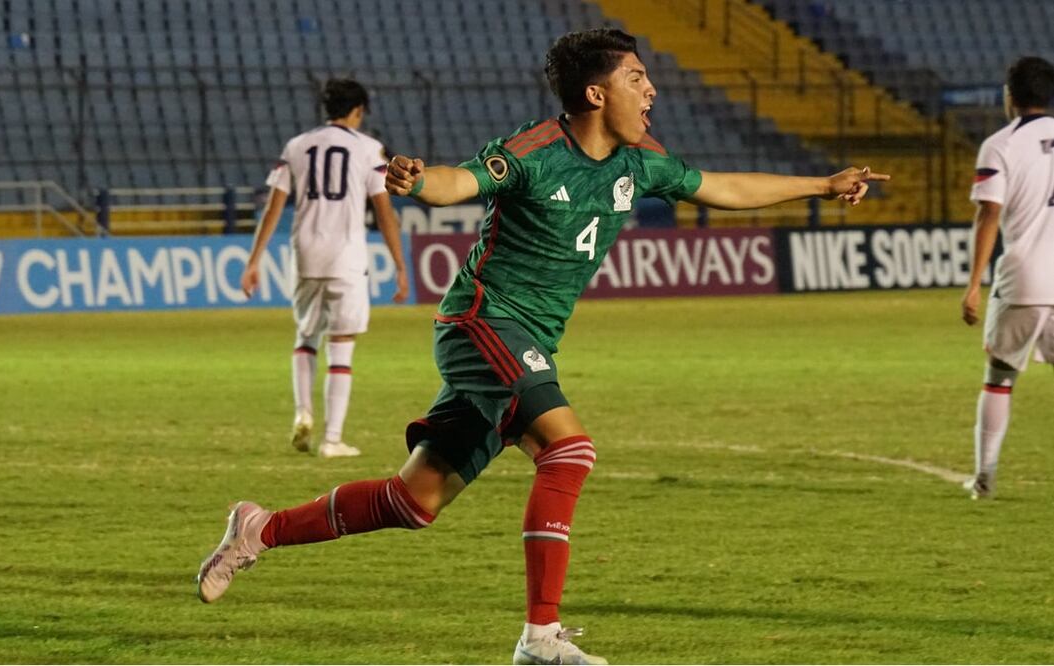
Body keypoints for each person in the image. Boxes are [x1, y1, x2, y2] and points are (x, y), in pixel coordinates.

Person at [199, 29, 886, 664]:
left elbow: (722, 186)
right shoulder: (533, 151)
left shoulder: (640, 162)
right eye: (637, 78)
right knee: (569, 450)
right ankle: (540, 637)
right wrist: (420, 181)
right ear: (596, 93)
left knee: (414, 501)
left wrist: (821, 185)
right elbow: (462, 181)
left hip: (523, 342)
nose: (651, 90)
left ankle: (258, 529)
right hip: (482, 322)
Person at [242, 78, 409, 459]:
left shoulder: (297, 146)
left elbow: (273, 207)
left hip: (305, 253)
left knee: (306, 336)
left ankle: (303, 412)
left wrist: (254, 260)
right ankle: (332, 440)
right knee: (341, 344)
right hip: (346, 258)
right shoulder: (368, 148)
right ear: (358, 111)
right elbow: (384, 211)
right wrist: (400, 265)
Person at [961, 56, 1054, 500]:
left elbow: (989, 214)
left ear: (1009, 96)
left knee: (999, 377)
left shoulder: (1001, 145)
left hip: (1025, 280)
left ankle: (985, 478)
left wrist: (973, 284)